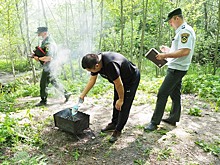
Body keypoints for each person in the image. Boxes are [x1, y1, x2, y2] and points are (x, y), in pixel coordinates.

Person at [144, 8, 196, 131]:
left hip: (177, 69)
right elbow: (180, 49)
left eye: (170, 21)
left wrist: (164, 56)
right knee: (175, 93)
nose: (170, 24)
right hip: (177, 67)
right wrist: (168, 51)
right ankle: (173, 118)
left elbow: (185, 51)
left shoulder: (185, 31)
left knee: (162, 93)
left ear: (177, 18)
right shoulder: (182, 31)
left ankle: (154, 122)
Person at [80, 52, 140, 143]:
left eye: (90, 70)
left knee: (123, 105)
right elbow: (92, 80)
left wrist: (121, 99)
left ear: (96, 66)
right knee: (115, 102)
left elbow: (118, 84)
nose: (90, 72)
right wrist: (83, 95)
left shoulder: (110, 65)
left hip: (130, 80)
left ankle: (118, 130)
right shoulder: (95, 60)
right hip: (119, 80)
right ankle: (114, 123)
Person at [33, 27, 71, 106]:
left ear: (44, 33)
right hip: (49, 65)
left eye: (39, 32)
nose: (38, 34)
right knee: (53, 81)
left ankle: (43, 101)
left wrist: (38, 58)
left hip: (50, 66)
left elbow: (49, 58)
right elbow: (44, 53)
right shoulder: (45, 42)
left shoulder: (48, 43)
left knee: (43, 83)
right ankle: (66, 93)